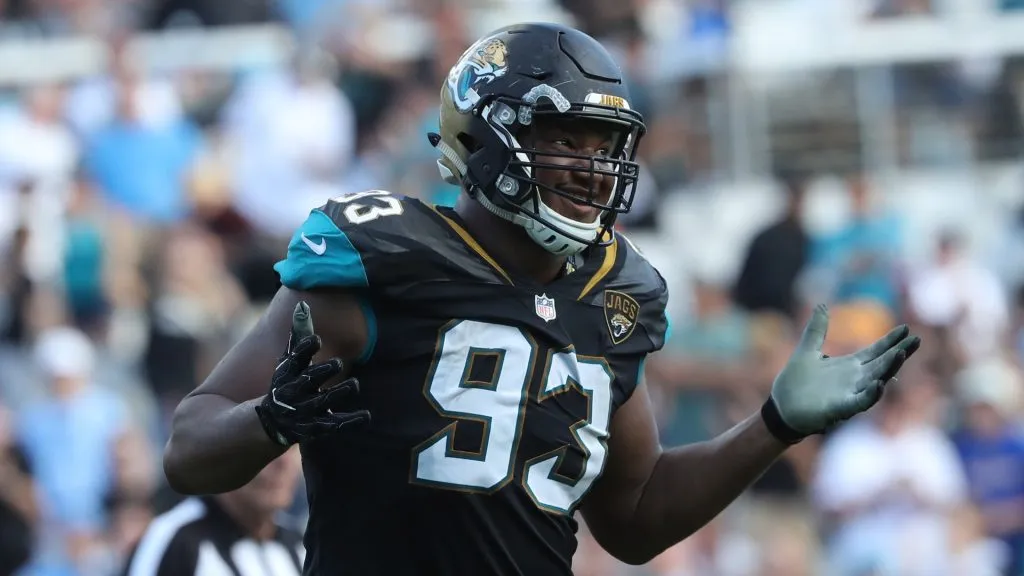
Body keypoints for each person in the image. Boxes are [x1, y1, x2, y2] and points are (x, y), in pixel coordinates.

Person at [163, 22, 921, 574]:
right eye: (567, 140)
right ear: (486, 138)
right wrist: (268, 423)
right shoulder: (382, 258)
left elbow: (635, 516)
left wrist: (772, 426)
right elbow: (189, 449)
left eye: (604, 147)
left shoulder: (617, 293)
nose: (592, 170)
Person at [121, 447, 304, 575]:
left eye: (292, 445)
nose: (283, 462)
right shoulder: (175, 539)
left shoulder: (300, 543)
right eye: (266, 447)